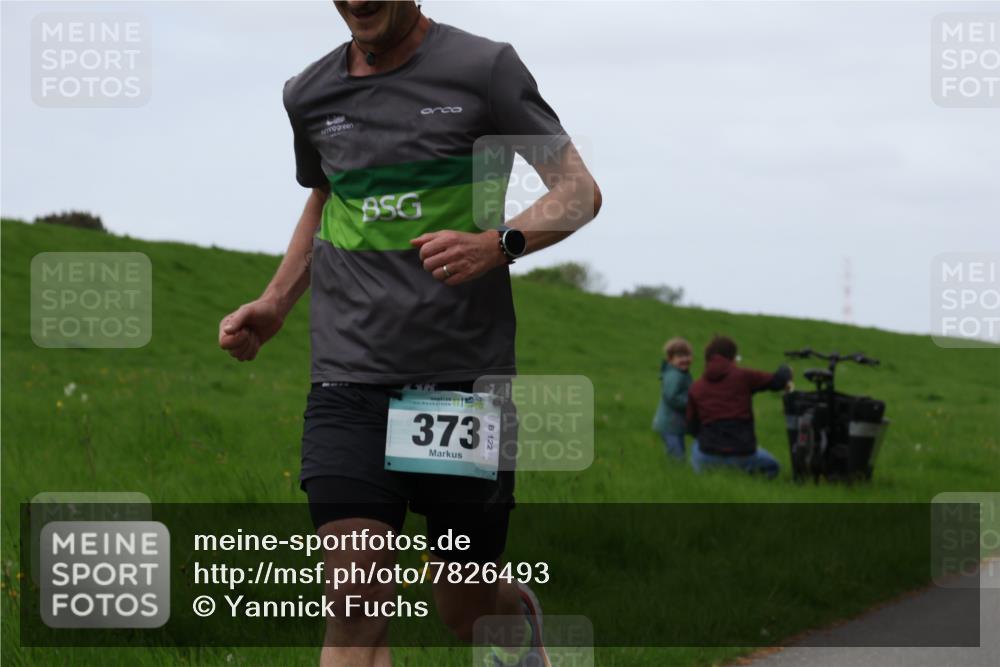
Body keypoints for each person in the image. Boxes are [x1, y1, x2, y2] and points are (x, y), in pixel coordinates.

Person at [218, 2, 601, 666]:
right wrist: (276, 301)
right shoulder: (309, 93)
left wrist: (497, 244)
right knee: (354, 601)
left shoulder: (485, 71)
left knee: (464, 604)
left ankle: (517, 614)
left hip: (458, 388)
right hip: (350, 379)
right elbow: (328, 195)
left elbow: (577, 190)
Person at [685, 336, 791, 479]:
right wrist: (786, 370)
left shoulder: (695, 388)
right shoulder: (743, 376)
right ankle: (746, 478)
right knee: (773, 467)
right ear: (732, 357)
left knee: (696, 446)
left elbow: (691, 427)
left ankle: (707, 477)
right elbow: (778, 381)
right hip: (743, 453)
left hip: (709, 455)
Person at [651, 337, 694, 461]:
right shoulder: (674, 375)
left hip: (675, 423)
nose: (685, 359)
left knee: (677, 451)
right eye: (680, 356)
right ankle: (674, 472)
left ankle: (674, 470)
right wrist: (690, 403)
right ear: (670, 359)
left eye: (688, 355)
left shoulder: (681, 373)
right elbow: (672, 397)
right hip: (669, 424)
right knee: (677, 456)